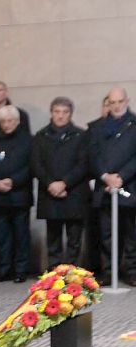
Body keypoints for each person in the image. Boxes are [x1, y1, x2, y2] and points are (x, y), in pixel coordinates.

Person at [31, 97, 89, 269]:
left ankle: (73, 275)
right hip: (50, 194)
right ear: (51, 113)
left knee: (74, 239)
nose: (60, 116)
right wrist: (51, 184)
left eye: (64, 112)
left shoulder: (81, 135)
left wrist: (64, 183)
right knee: (53, 239)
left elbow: (83, 164)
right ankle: (54, 276)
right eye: (57, 112)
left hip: (74, 193)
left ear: (70, 114)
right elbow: (36, 164)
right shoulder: (41, 136)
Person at [88, 86, 136, 285]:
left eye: (120, 102)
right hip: (105, 188)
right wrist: (106, 176)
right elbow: (93, 155)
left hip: (129, 186)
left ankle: (132, 271)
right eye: (112, 102)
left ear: (127, 101)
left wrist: (121, 177)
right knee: (107, 233)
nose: (116, 106)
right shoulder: (97, 127)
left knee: (131, 233)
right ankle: (109, 271)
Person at [0, 105, 33, 283]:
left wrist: (13, 181)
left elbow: (31, 166)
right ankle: (4, 268)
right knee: (0, 235)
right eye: (3, 121)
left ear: (17, 121)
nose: (7, 124)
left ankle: (20, 269)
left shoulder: (28, 140)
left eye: (10, 120)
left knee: (21, 234)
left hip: (19, 194)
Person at [83, 96, 111, 275]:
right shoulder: (93, 128)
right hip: (96, 188)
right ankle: (97, 268)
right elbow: (88, 156)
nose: (109, 108)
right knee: (95, 231)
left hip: (118, 185)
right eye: (107, 104)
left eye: (113, 104)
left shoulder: (128, 128)